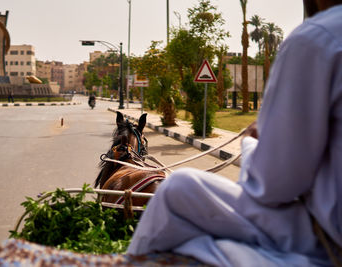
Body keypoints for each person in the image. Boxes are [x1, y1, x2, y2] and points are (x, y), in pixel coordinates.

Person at [127, 1, 342, 266]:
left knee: (177, 190)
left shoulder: (318, 38)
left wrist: (250, 144)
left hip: (327, 240)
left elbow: (272, 187)